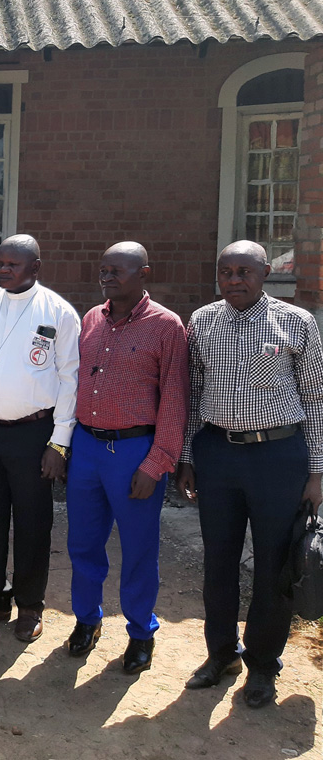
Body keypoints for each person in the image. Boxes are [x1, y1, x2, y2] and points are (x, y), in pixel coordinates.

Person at [177, 241, 323, 708]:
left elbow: (317, 400)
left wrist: (318, 471)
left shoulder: (296, 323)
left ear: (265, 274)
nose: (234, 280)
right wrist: (187, 458)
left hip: (278, 457)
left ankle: (263, 665)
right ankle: (221, 654)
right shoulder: (201, 321)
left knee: (273, 565)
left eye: (244, 271)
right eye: (226, 272)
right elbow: (193, 397)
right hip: (217, 454)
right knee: (218, 562)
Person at [67, 242, 188, 673]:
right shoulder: (91, 319)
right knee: (82, 542)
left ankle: (140, 633)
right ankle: (86, 620)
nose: (109, 276)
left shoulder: (166, 326)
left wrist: (157, 463)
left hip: (134, 451)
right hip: (86, 447)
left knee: (138, 548)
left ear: (144, 273)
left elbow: (175, 399)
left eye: (119, 269)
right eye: (104, 269)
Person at [0, 234, 80, 642]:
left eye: (13, 264)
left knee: (32, 522)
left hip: (34, 433)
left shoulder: (58, 312)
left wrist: (59, 443)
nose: (3, 270)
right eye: (0, 263)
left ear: (36, 268)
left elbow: (70, 379)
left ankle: (29, 606)